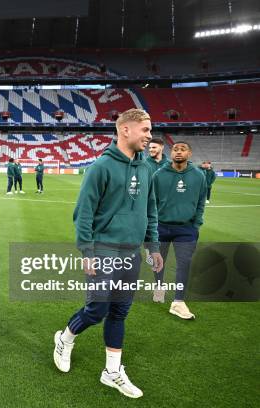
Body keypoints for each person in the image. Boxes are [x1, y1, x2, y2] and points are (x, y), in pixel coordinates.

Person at [52, 108, 163, 399]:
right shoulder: (100, 167)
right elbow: (83, 214)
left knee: (119, 311)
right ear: (125, 129)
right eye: (145, 129)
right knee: (97, 309)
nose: (150, 135)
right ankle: (65, 339)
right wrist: (87, 251)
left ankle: (111, 371)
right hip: (103, 249)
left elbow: (151, 209)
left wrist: (152, 245)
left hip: (132, 251)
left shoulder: (146, 168)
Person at [152, 141, 206, 317]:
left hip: (186, 229)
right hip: (161, 227)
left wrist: (196, 224)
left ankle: (178, 302)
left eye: (183, 149)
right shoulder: (159, 175)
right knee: (158, 262)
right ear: (171, 152)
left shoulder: (198, 176)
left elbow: (200, 202)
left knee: (184, 264)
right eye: (175, 149)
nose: (178, 152)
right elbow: (150, 203)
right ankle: (159, 287)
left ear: (189, 154)